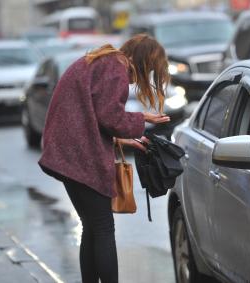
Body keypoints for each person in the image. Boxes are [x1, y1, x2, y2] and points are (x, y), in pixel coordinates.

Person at [38, 34, 170, 283]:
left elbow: (91, 116)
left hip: (68, 154)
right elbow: (111, 117)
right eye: (149, 70)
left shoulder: (104, 61)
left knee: (92, 226)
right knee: (102, 228)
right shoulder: (115, 68)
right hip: (80, 157)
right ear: (141, 62)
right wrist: (144, 118)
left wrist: (124, 140)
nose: (143, 78)